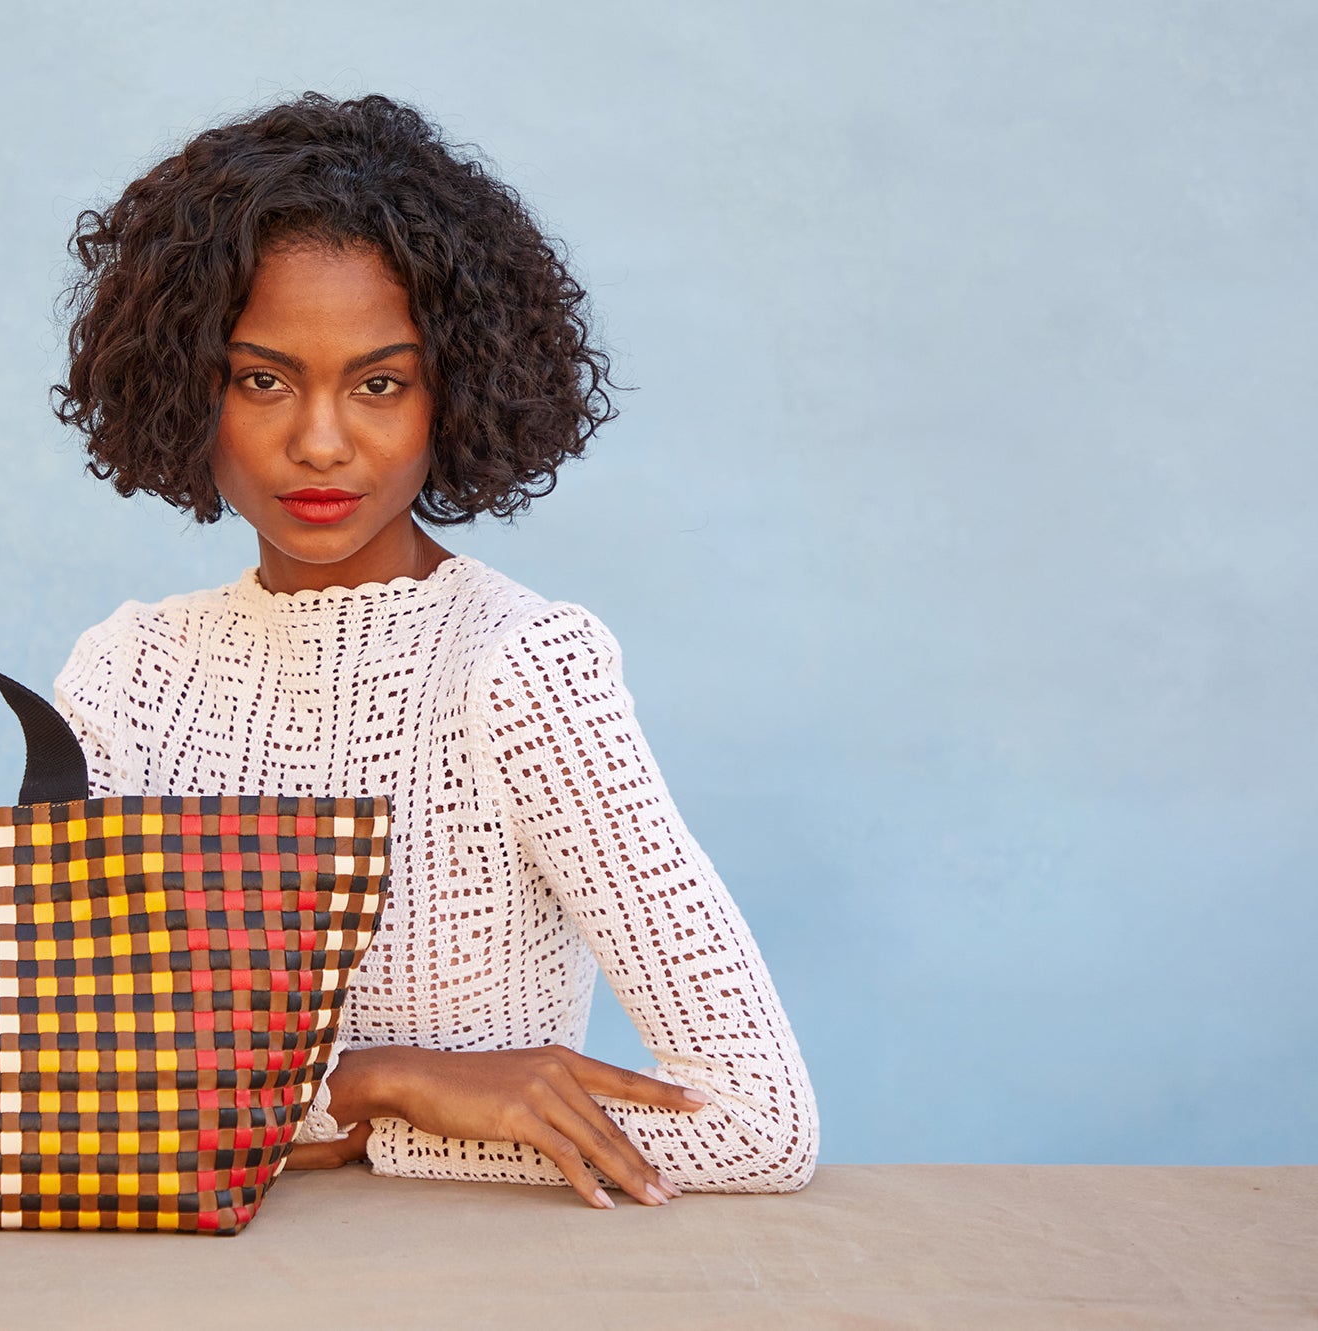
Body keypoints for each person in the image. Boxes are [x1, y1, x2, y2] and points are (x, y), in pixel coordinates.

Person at [48, 92, 817, 1209]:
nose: (319, 439)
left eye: (380, 382)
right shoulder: (127, 675)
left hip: (478, 1275)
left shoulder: (520, 668)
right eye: (262, 378)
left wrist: (342, 1137)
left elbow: (760, 1123)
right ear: (184, 386)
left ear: (452, 391)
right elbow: (67, 1089)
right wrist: (387, 1084)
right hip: (186, 1277)